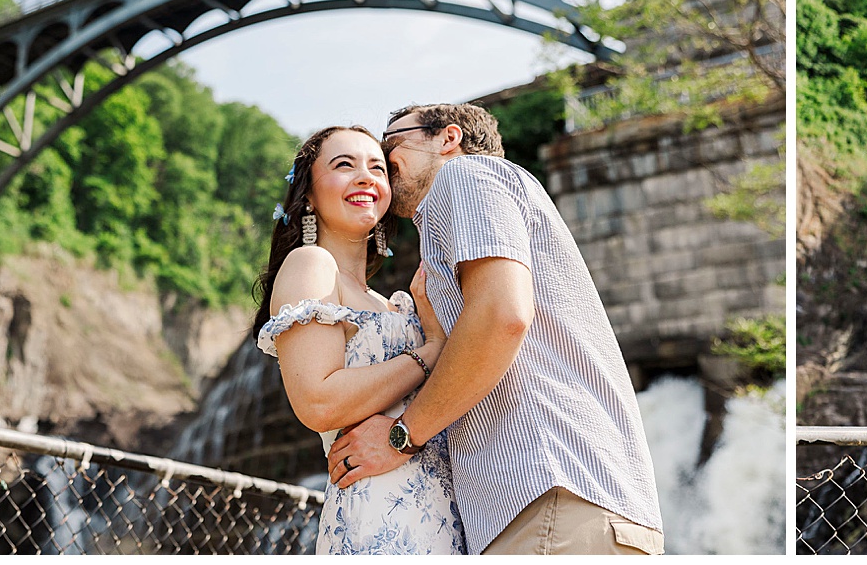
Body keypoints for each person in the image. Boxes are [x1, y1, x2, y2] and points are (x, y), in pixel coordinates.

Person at [325, 102, 663, 557]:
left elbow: (503, 316)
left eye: (392, 144)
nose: (383, 161)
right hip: (569, 502)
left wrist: (401, 436)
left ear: (448, 139)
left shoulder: (463, 177)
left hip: (549, 496)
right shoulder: (482, 202)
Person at [254, 124, 463, 556]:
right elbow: (318, 401)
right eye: (343, 165)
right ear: (308, 194)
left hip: (449, 517)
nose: (366, 176)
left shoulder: (396, 302)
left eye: (377, 168)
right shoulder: (311, 266)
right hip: (378, 519)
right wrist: (430, 351)